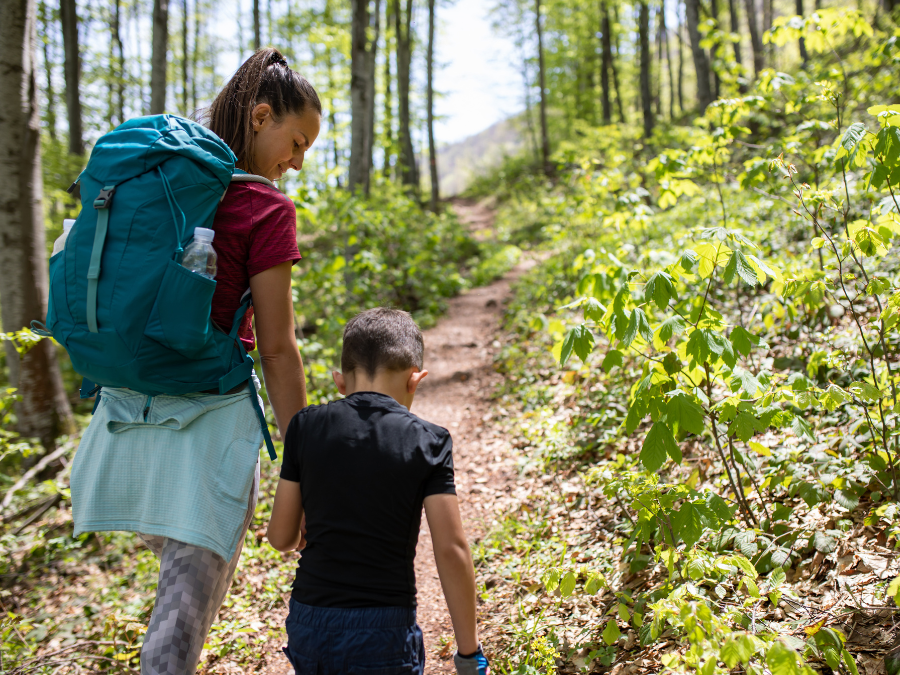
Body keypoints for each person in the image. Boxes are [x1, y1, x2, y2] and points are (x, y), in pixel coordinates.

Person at [69, 48, 321, 675]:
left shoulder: (159, 183)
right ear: (261, 116)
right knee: (178, 628)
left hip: (124, 415)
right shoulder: (265, 209)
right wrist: (309, 465)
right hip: (205, 431)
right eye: (297, 142)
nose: (296, 163)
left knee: (171, 598)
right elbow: (278, 348)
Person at [267, 308, 490, 675]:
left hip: (310, 621)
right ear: (415, 381)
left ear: (340, 381)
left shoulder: (305, 427)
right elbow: (451, 549)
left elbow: (281, 537)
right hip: (383, 629)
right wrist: (468, 653)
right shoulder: (429, 440)